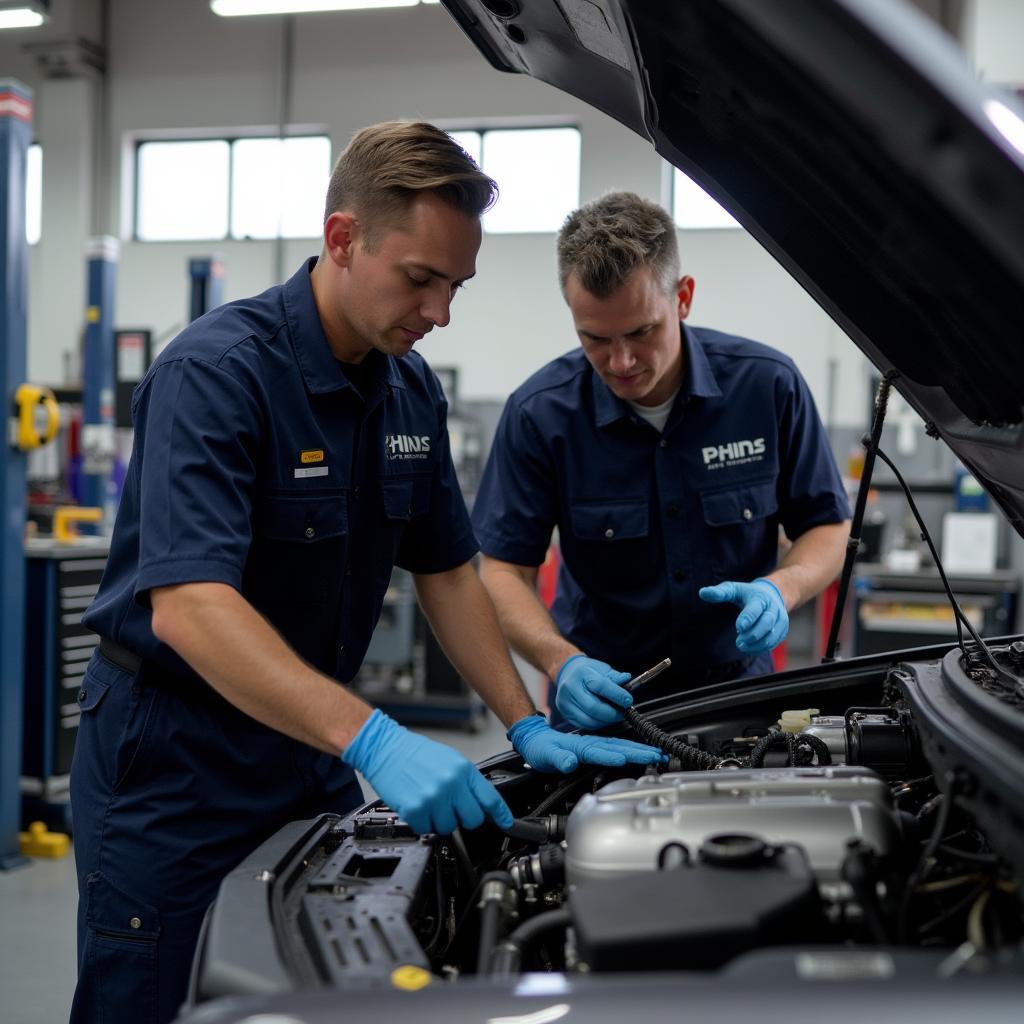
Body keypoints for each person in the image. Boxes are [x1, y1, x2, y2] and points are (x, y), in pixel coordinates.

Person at [69, 126, 662, 1024]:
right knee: (160, 998)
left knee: (314, 994)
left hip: (308, 751)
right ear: (343, 240)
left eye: (455, 285)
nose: (441, 310)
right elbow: (192, 607)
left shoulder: (407, 388)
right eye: (421, 278)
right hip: (177, 768)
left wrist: (523, 721)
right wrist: (375, 741)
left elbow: (450, 571)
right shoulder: (216, 376)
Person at [472, 192, 851, 730]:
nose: (621, 361)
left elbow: (828, 526)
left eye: (641, 331)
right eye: (595, 338)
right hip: (603, 706)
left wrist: (779, 589)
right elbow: (504, 571)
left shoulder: (767, 388)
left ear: (683, 297)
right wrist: (562, 661)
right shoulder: (540, 416)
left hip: (739, 703)